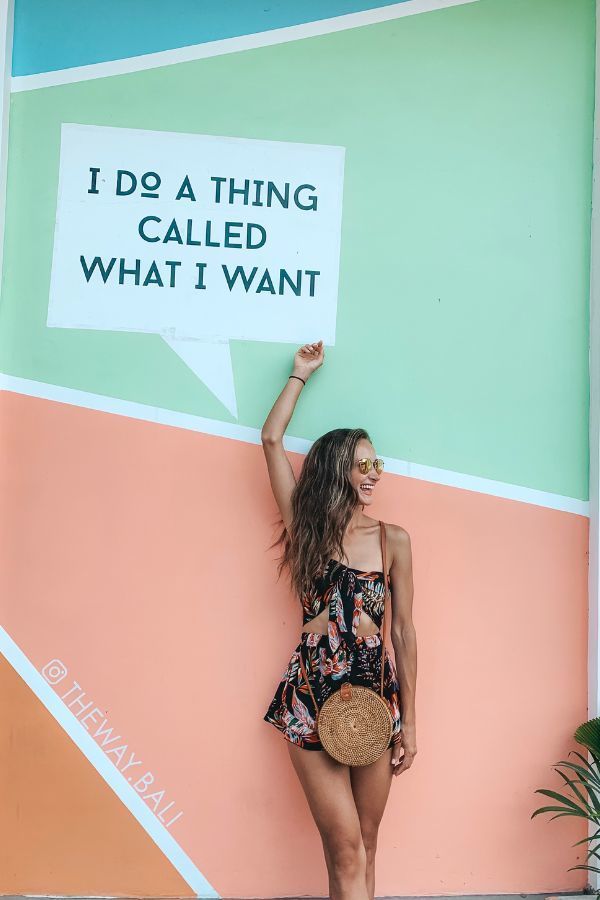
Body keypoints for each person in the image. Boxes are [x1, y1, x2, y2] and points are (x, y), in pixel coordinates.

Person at [261, 339, 417, 900]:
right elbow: (272, 440)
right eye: (362, 465)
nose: (374, 474)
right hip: (311, 699)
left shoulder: (393, 539)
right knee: (345, 847)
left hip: (376, 705)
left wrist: (412, 723)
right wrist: (300, 375)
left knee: (366, 846)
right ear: (337, 471)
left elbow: (403, 632)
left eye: (377, 463)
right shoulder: (307, 529)